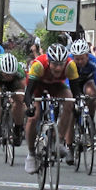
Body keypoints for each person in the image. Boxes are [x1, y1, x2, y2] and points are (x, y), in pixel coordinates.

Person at [24, 43, 81, 173]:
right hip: (37, 87)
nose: (58, 68)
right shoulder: (38, 65)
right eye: (55, 64)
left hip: (56, 86)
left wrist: (78, 103)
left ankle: (59, 141)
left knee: (70, 100)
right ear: (49, 61)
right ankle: (31, 154)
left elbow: (76, 91)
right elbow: (28, 93)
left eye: (61, 64)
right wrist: (29, 106)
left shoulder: (70, 65)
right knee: (34, 117)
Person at [0, 53, 26, 145]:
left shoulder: (19, 71)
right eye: (6, 74)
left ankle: (18, 128)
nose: (8, 77)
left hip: (14, 83)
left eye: (11, 74)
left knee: (19, 98)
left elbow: (25, 90)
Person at [69, 39, 96, 125]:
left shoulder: (93, 61)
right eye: (77, 59)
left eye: (82, 58)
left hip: (87, 80)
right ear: (73, 56)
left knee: (91, 93)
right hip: (72, 81)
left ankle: (90, 119)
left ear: (87, 56)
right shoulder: (69, 60)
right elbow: (66, 81)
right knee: (69, 97)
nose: (80, 61)